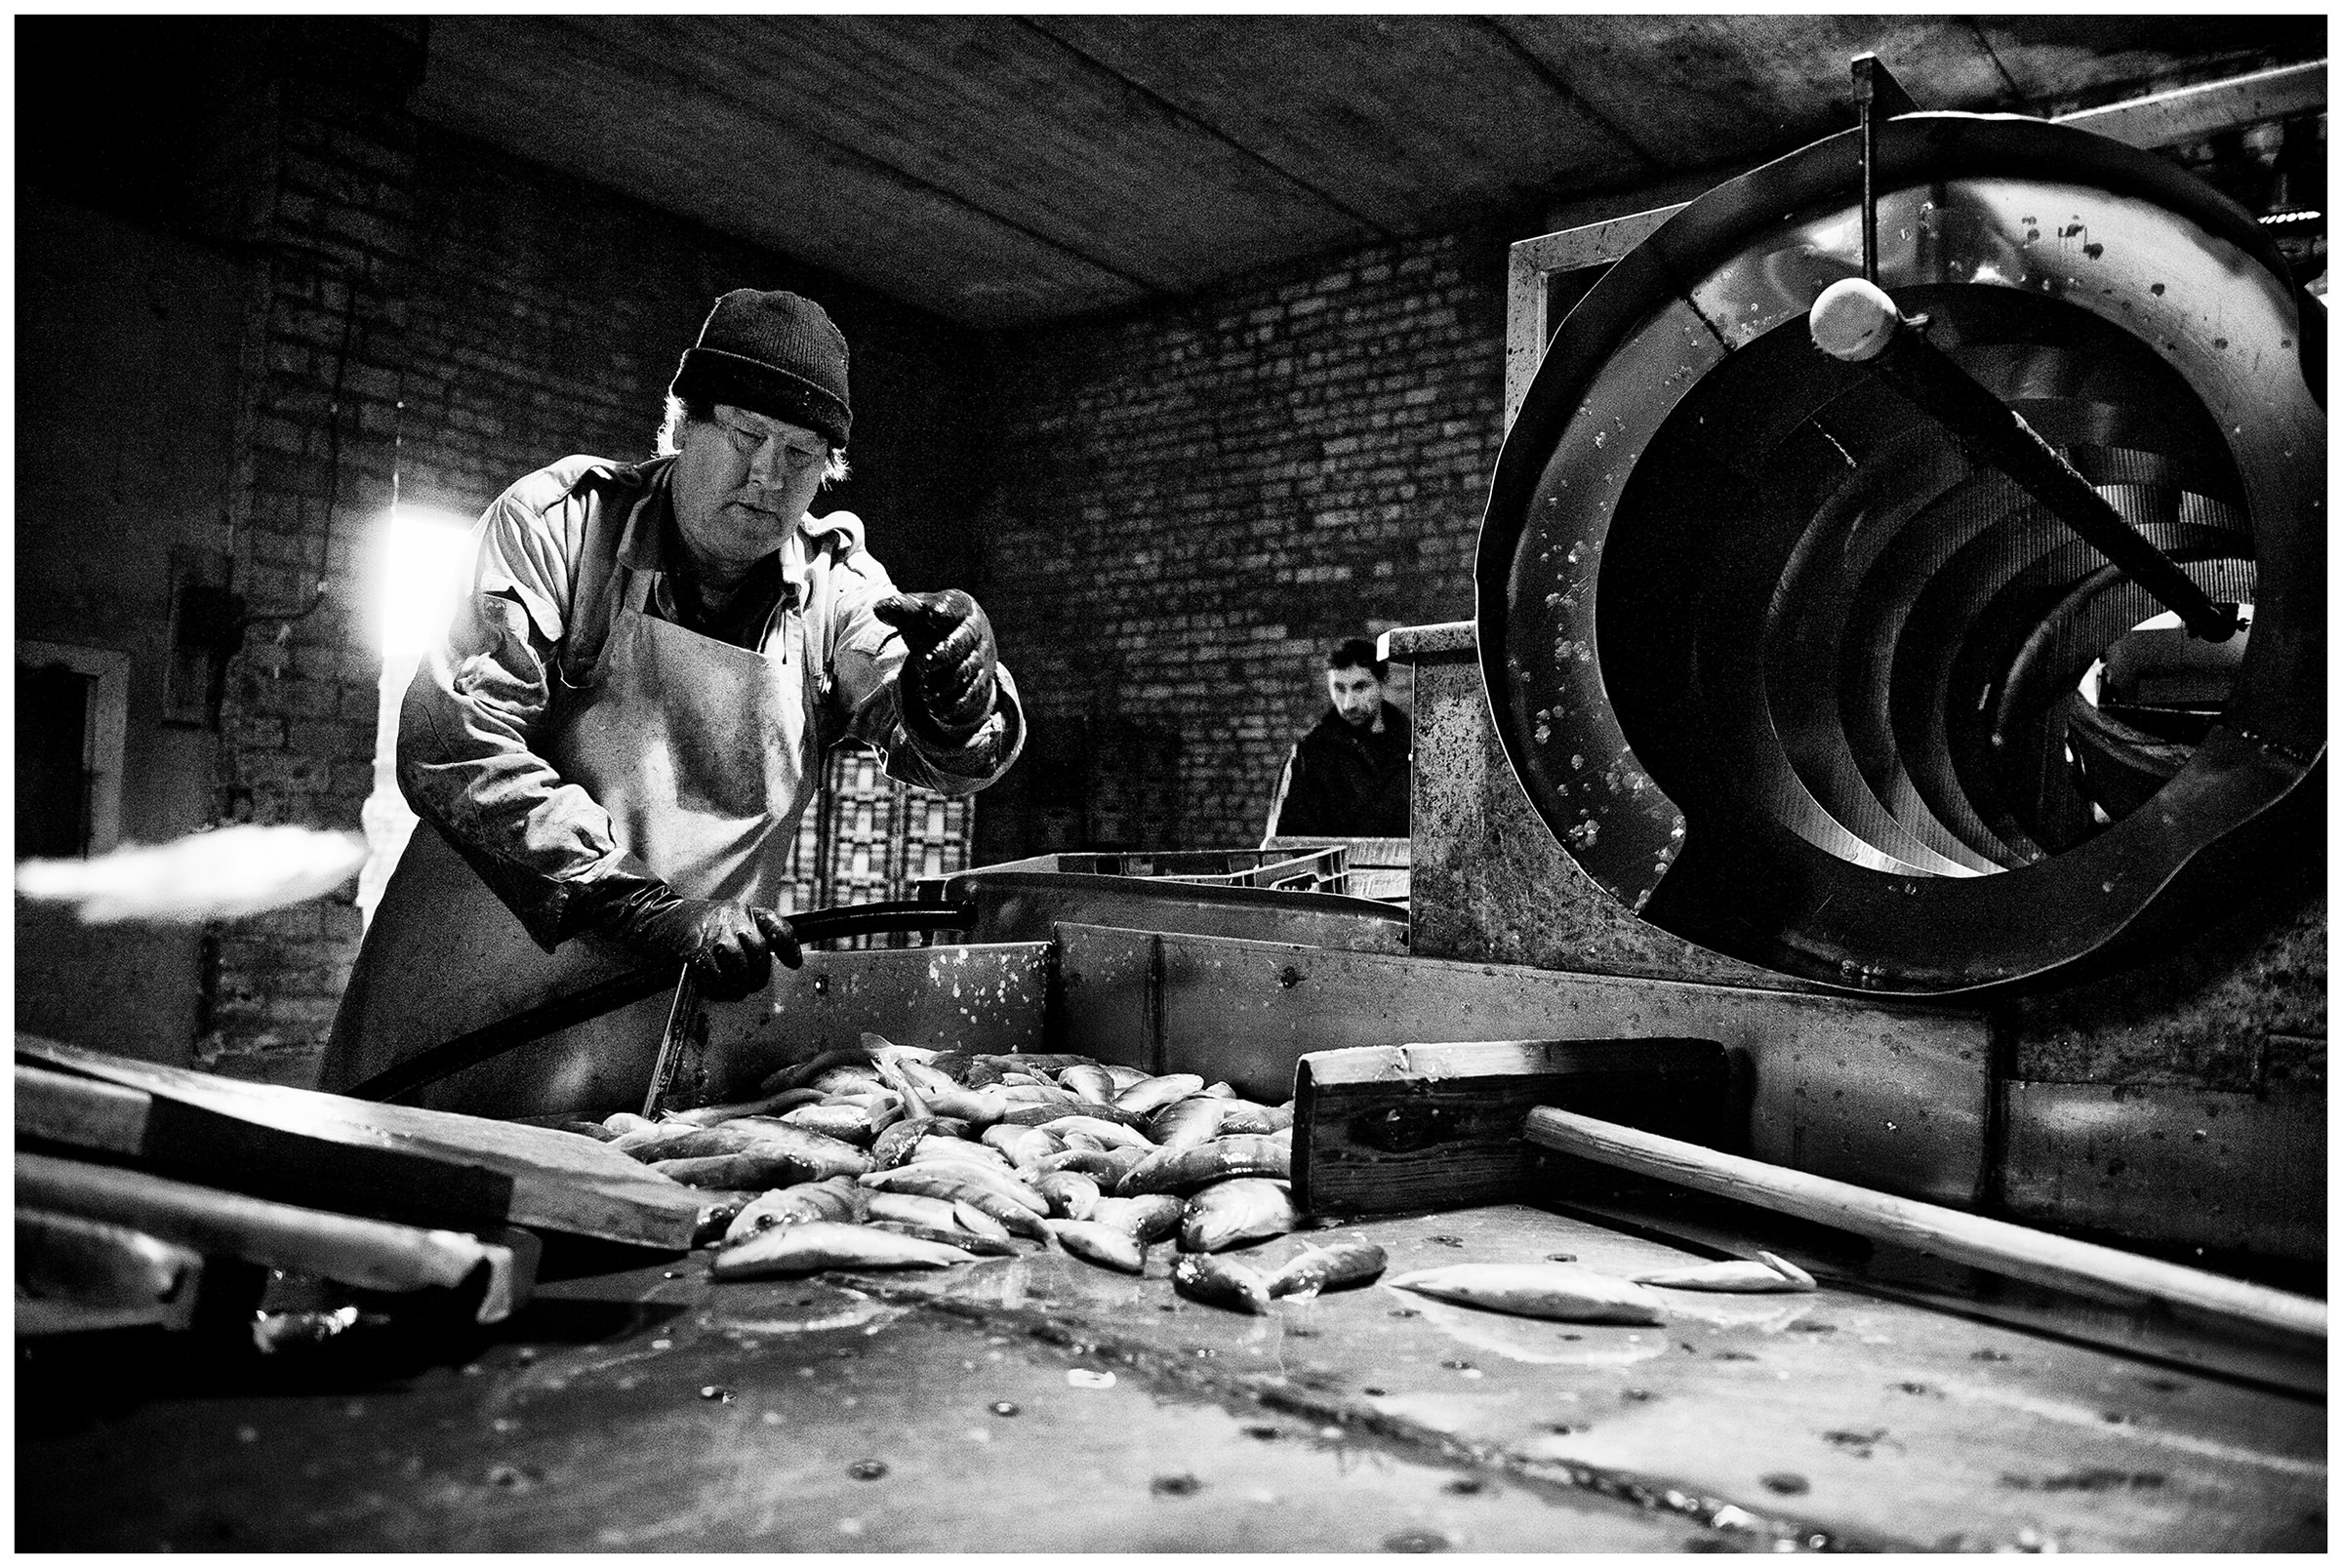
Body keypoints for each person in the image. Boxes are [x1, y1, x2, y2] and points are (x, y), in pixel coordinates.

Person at [322, 288, 1022, 1113]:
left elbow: (933, 734)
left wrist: (956, 698)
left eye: (801, 453)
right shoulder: (565, 528)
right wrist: (642, 904)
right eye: (745, 435)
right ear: (682, 426)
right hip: (455, 1024)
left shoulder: (835, 587)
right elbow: (456, 740)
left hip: (648, 1058)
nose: (768, 476)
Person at [1261, 638, 1411, 841]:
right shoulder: (1311, 754)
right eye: (1339, 688)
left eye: (1360, 687)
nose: (1348, 704)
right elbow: (1284, 845)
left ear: (1382, 684)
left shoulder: (1414, 744)